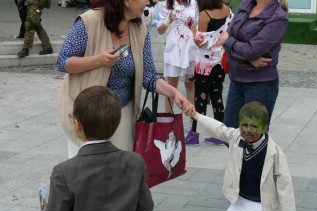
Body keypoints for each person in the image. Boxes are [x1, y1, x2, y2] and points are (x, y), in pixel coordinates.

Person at [55, 0, 194, 158]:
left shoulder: (139, 28)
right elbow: (63, 62)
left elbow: (149, 76)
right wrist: (99, 60)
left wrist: (174, 93)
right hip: (88, 116)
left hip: (122, 115)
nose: (148, 2)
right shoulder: (89, 21)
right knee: (88, 175)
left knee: (118, 175)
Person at [32, 86, 154, 211]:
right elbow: (145, 209)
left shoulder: (65, 172)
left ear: (78, 125)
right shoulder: (134, 163)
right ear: (116, 123)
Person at [190, 101, 296, 211]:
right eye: (244, 125)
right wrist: (196, 115)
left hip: (260, 199)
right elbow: (219, 129)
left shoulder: (273, 151)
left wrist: (286, 205)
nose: (248, 130)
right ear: (239, 124)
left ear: (265, 128)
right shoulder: (236, 136)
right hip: (241, 195)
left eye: (254, 126)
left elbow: (283, 178)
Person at [216, 0, 289, 129]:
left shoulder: (278, 17)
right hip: (237, 80)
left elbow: (251, 49)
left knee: (253, 137)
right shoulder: (246, 4)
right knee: (230, 133)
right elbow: (226, 35)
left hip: (260, 84)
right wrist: (249, 59)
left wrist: (231, 43)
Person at [184, 0, 233, 146]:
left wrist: (193, 29)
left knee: (200, 98)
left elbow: (200, 42)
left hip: (205, 64)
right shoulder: (227, 9)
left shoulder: (205, 14)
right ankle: (219, 133)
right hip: (220, 61)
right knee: (217, 95)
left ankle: (194, 133)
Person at [157, 0, 198, 113]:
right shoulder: (166, 5)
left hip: (190, 51)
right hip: (174, 51)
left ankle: (192, 121)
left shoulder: (194, 3)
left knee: (189, 83)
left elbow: (199, 24)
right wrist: (167, 21)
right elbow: (160, 30)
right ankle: (168, 121)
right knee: (171, 88)